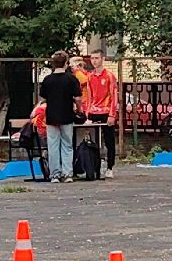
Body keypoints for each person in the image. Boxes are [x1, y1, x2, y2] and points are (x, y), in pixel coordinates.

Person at [39, 51, 82, 183]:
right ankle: (67, 174)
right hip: (67, 116)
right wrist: (79, 109)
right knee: (67, 145)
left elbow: (43, 99)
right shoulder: (71, 79)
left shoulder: (47, 80)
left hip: (51, 117)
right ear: (66, 63)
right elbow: (78, 98)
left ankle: (55, 175)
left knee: (52, 146)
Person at [82, 51, 120, 179]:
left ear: (102, 59)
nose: (94, 61)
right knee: (92, 141)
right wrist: (87, 114)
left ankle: (110, 167)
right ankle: (94, 167)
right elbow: (89, 96)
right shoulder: (90, 76)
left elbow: (114, 95)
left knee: (109, 141)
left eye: (97, 58)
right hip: (93, 112)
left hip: (106, 111)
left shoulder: (109, 76)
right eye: (92, 58)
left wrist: (112, 114)